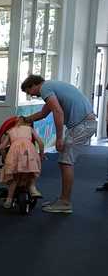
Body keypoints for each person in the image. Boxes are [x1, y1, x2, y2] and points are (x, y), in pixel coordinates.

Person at [21, 75, 97, 213]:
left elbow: (58, 112)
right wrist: (24, 119)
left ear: (33, 85)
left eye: (28, 91)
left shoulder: (45, 89)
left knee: (65, 162)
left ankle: (65, 203)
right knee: (65, 161)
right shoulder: (52, 86)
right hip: (84, 123)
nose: (31, 95)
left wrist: (59, 138)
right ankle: (63, 200)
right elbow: (44, 113)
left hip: (82, 125)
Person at [0, 117, 44, 209]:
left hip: (14, 154)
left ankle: (9, 200)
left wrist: (5, 157)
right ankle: (32, 188)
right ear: (28, 124)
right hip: (28, 152)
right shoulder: (29, 129)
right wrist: (41, 155)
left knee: (15, 178)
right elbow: (40, 143)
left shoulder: (10, 131)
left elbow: (2, 147)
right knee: (31, 171)